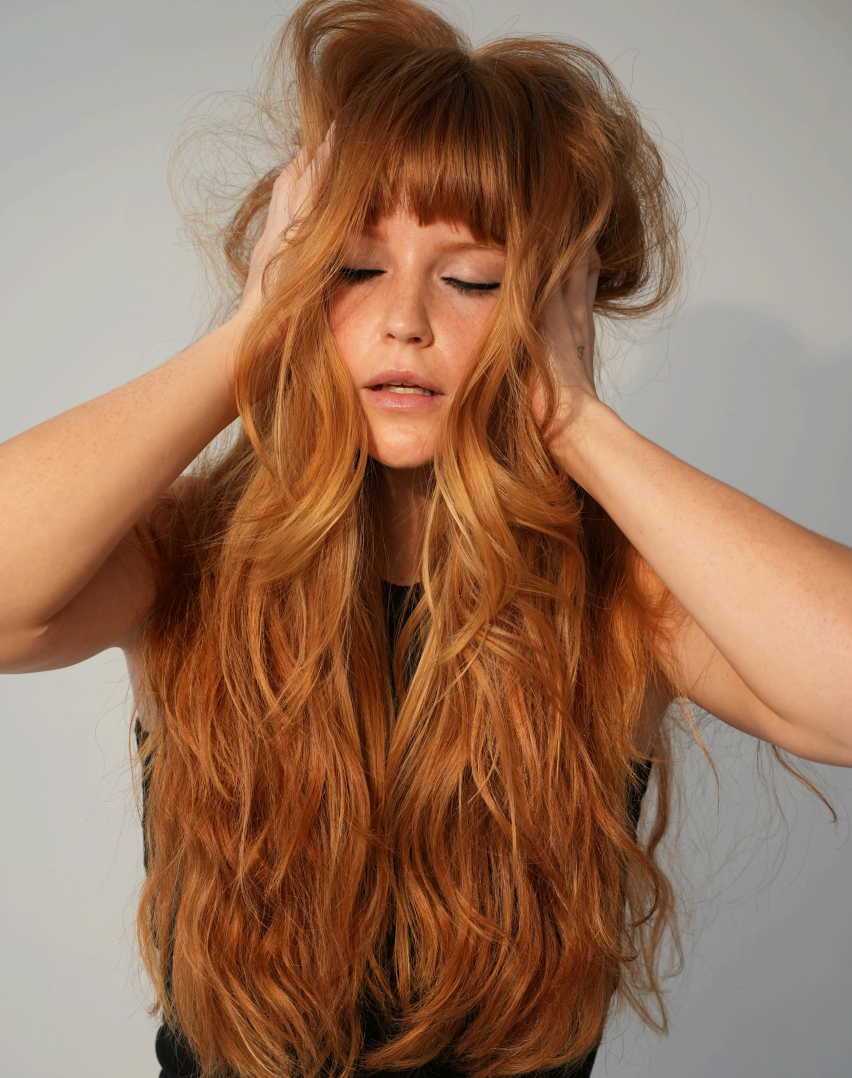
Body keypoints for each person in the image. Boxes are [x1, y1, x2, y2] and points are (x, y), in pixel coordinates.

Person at [0, 0, 850, 1076]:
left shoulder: (624, 593)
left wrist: (576, 421)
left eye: (472, 279)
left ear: (549, 305)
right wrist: (246, 341)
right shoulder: (189, 559)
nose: (406, 318)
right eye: (353, 268)